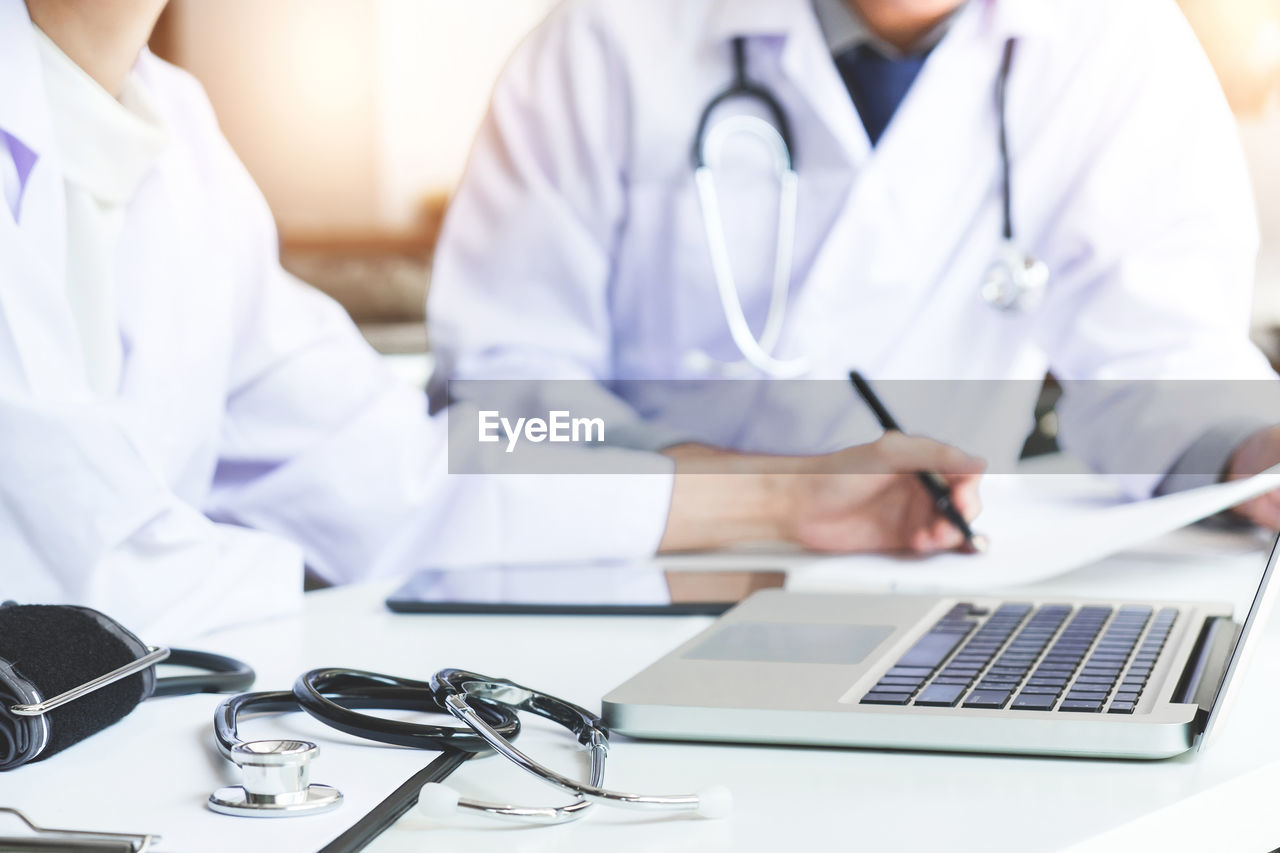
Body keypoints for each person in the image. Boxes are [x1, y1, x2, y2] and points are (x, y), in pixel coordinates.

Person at [0, 0, 985, 640]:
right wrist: (329, 593)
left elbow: (386, 477)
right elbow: (82, 594)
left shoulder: (177, 144)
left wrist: (790, 500)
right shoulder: (604, 41)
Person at [428, 0, 1280, 526]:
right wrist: (715, 489)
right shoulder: (606, 38)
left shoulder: (1116, 42)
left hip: (930, 582)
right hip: (623, 571)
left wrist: (1251, 452)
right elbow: (503, 400)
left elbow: (1161, 357)